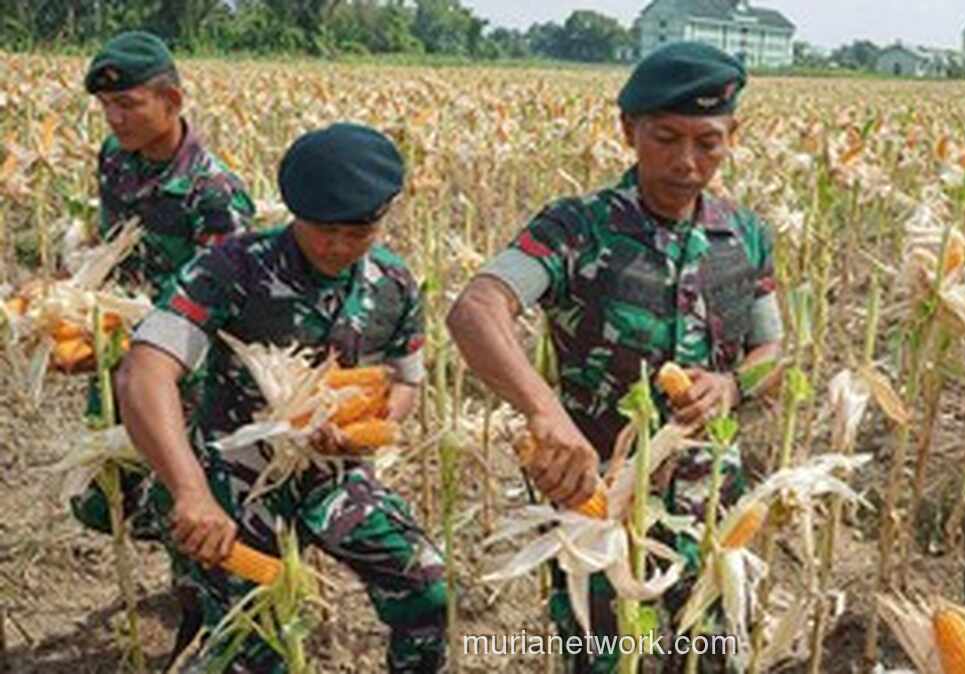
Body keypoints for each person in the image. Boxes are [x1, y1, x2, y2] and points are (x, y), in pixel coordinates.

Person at [447, 41, 783, 673]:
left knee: (710, 655)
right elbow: (476, 309)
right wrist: (546, 414)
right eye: (664, 138)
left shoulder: (747, 235)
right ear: (627, 130)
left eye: (708, 142)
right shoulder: (575, 228)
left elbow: (774, 351)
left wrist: (734, 386)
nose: (686, 162)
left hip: (708, 503)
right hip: (596, 497)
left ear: (734, 135)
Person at [116, 123, 446, 672]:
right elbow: (142, 373)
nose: (337, 247)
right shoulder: (231, 268)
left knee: (426, 588)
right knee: (257, 638)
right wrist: (190, 491)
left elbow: (405, 380)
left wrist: (368, 423)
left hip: (334, 474)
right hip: (235, 480)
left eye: (358, 231)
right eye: (322, 230)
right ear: (293, 211)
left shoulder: (395, 284)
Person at [70, 29, 256, 662]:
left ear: (172, 100)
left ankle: (204, 616)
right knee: (111, 493)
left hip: (188, 370)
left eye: (129, 106)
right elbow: (114, 245)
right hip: (123, 350)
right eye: (107, 108)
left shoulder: (216, 194)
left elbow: (222, 302)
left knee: (189, 490)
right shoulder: (114, 159)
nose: (115, 120)